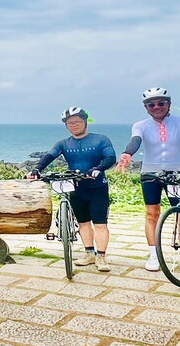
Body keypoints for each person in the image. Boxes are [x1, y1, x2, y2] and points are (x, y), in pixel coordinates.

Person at [116, 87, 180, 272]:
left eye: (161, 103)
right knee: (152, 214)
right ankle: (154, 255)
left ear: (169, 104)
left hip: (177, 174)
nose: (156, 107)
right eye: (151, 104)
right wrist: (127, 153)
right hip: (150, 174)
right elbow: (136, 140)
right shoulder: (140, 125)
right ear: (146, 107)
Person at [27, 107, 117, 272]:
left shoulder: (100, 139)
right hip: (76, 187)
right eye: (70, 123)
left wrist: (98, 168)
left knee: (100, 224)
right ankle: (89, 254)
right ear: (66, 125)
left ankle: (101, 257)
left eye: (77, 121)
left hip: (97, 187)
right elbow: (49, 156)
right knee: (83, 223)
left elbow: (110, 157)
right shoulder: (63, 143)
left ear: (85, 122)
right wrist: (36, 170)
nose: (74, 125)